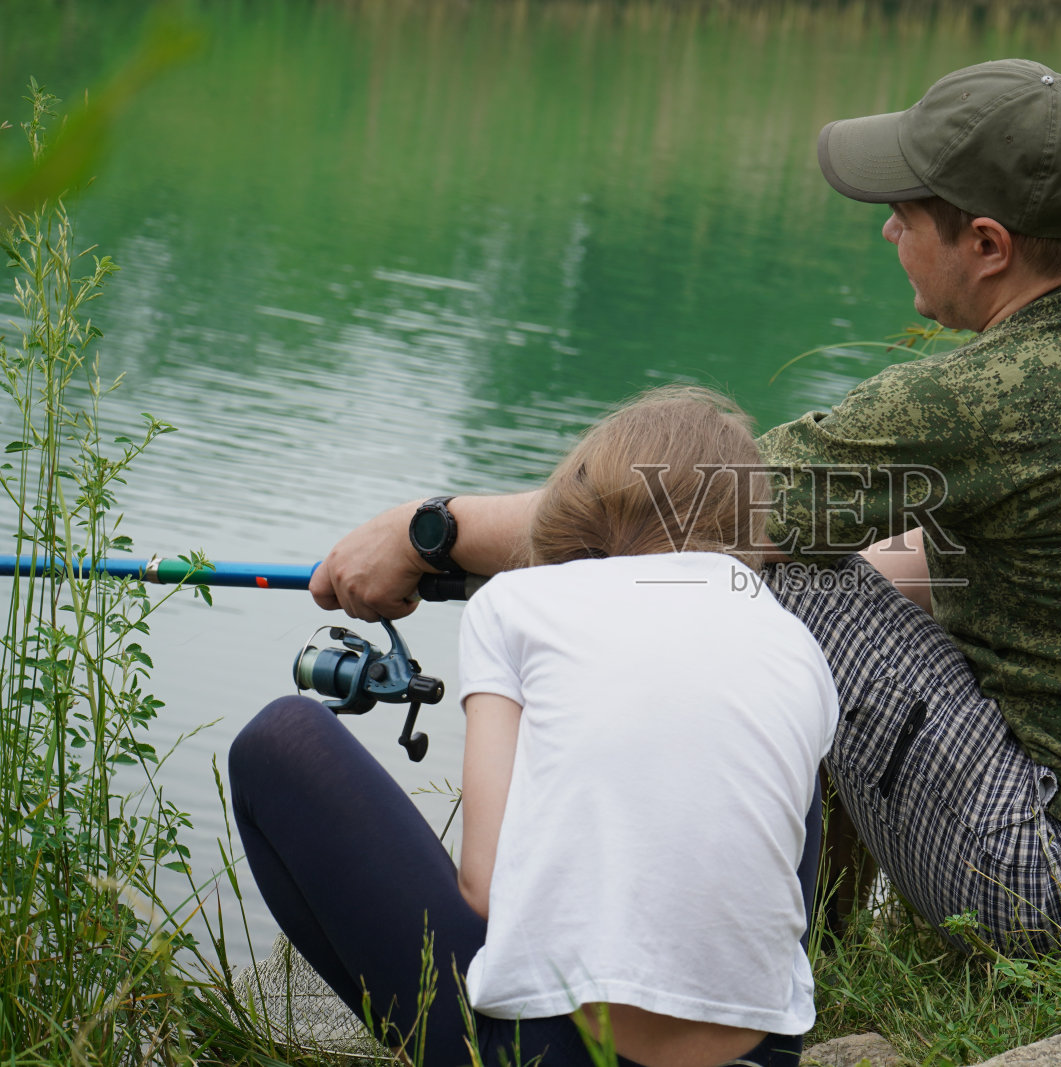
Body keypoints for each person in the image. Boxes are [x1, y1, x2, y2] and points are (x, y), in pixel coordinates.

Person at [310, 59, 1061, 952]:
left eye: (905, 212)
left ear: (986, 243)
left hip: (1055, 885)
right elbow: (928, 566)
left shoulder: (999, 393)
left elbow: (678, 510)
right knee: (823, 556)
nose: (887, 230)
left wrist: (426, 531)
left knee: (780, 564)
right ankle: (823, 932)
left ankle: (720, 933)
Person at [231, 387, 838, 1067]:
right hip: (766, 1051)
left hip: (556, 1050)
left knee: (277, 739)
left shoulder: (515, 602)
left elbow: (487, 887)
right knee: (776, 738)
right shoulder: (796, 643)